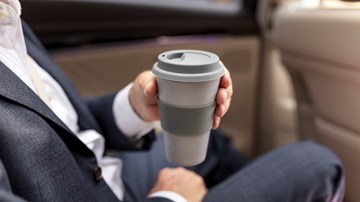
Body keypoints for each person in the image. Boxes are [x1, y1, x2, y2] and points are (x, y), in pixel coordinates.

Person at [0, 0, 344, 201]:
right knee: (319, 163)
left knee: (214, 144)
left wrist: (135, 107)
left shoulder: (10, 18)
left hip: (101, 171)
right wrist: (171, 198)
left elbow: (61, 126)